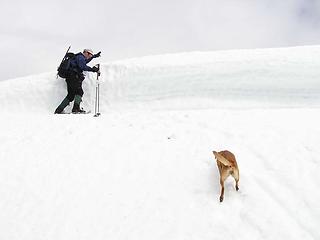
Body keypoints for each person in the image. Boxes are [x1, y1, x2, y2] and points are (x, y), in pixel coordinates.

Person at [54, 49, 101, 114]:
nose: (90, 56)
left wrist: (94, 56)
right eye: (90, 55)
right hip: (74, 77)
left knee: (71, 95)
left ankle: (59, 110)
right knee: (79, 92)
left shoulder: (79, 57)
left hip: (69, 77)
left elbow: (85, 62)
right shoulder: (80, 57)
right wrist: (93, 69)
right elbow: (82, 66)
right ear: (86, 53)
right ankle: (76, 109)